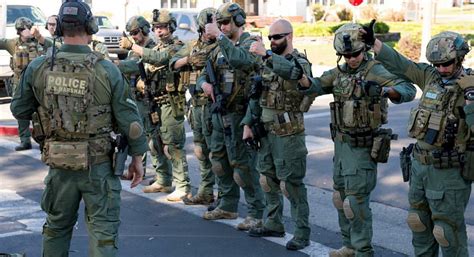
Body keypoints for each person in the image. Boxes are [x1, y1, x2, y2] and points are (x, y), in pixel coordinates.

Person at [10, 1, 147, 256]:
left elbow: (18, 109)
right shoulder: (107, 69)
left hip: (60, 166)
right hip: (99, 167)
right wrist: (137, 158)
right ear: (91, 26)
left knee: (56, 228)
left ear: (59, 28)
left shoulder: (39, 66)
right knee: (103, 233)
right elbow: (131, 122)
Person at [298, 22, 416, 257]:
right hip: (341, 147)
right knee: (340, 198)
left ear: (364, 50)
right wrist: (299, 77)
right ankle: (349, 245)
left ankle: (363, 250)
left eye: (355, 54)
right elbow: (316, 86)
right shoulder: (339, 73)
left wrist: (384, 91)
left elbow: (407, 89)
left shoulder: (375, 69)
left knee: (355, 202)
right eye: (346, 55)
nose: (351, 59)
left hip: (362, 147)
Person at [365, 21, 473, 257]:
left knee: (447, 231)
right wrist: (374, 43)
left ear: (460, 59)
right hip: (419, 168)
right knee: (418, 223)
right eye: (437, 64)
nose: (442, 69)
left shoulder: (470, 86)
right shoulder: (430, 76)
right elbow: (402, 65)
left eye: (447, 64)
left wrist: (471, 98)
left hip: (449, 173)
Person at [241, 19, 314, 250]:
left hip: (289, 134)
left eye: (277, 37)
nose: (272, 41)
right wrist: (248, 123)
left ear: (289, 36)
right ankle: (274, 222)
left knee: (291, 184)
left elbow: (296, 76)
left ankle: (302, 233)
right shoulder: (266, 63)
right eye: (270, 37)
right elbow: (256, 95)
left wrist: (267, 56)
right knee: (267, 179)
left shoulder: (299, 62)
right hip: (266, 132)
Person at [196, 2, 265, 231]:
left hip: (240, 113)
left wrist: (220, 38)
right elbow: (203, 74)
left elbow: (242, 61)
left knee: (243, 166)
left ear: (238, 20)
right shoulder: (218, 48)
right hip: (220, 112)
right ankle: (227, 204)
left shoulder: (251, 43)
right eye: (219, 23)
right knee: (218, 161)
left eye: (225, 22)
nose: (222, 27)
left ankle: (256, 212)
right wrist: (204, 84)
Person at [122, 9, 191, 202]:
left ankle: (183, 185)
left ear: (171, 27)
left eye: (162, 27)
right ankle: (163, 179)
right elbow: (142, 65)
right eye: (156, 28)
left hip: (170, 102)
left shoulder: (177, 46)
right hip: (154, 101)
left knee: (173, 146)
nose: (159, 31)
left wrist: (134, 48)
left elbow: (160, 60)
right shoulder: (157, 48)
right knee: (155, 143)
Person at [170, 8, 218, 206]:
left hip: (214, 106)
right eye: (207, 26)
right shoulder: (192, 45)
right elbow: (173, 63)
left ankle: (224, 196)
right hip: (196, 106)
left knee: (218, 152)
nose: (210, 30)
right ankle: (206, 191)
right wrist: (188, 60)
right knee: (200, 150)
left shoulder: (221, 46)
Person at [117, 15, 156, 178]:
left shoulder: (152, 48)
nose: (132, 36)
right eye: (130, 33)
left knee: (147, 136)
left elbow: (139, 66)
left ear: (144, 30)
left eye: (135, 32)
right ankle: (136, 168)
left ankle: (154, 173)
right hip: (133, 98)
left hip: (146, 99)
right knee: (132, 135)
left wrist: (119, 65)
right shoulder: (135, 49)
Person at [0, 17, 44, 151]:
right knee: (21, 114)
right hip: (19, 85)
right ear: (20, 30)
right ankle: (25, 140)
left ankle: (43, 141)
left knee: (41, 113)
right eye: (26, 28)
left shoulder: (39, 42)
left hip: (38, 85)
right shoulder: (13, 43)